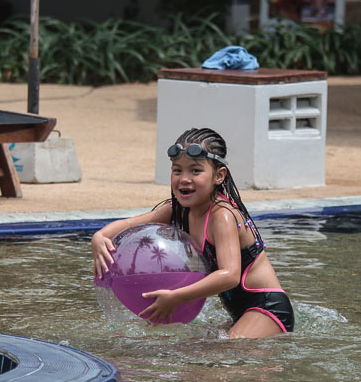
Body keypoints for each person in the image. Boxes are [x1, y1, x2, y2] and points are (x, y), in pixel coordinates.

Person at [92, 127, 294, 338]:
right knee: (188, 350)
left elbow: (230, 275)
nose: (184, 179)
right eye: (177, 170)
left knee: (227, 354)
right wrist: (100, 237)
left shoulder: (222, 216)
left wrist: (176, 296)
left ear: (219, 176)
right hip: (240, 313)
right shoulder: (177, 210)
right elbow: (129, 224)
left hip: (267, 308)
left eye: (195, 171)